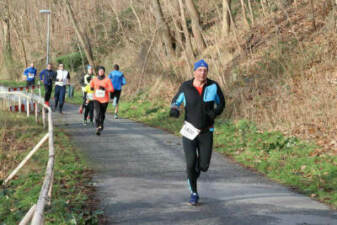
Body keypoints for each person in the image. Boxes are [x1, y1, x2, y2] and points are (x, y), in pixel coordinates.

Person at [169, 59, 225, 206]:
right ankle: (194, 192)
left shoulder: (213, 86)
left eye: (205, 70)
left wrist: (214, 112)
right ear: (194, 72)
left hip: (207, 131)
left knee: (203, 166)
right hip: (189, 130)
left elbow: (222, 102)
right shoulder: (186, 86)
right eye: (199, 70)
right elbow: (176, 101)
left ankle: (193, 174)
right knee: (190, 162)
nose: (202, 72)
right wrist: (174, 109)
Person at [90, 66, 114, 136]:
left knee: (102, 114)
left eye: (102, 71)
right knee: (97, 114)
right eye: (100, 71)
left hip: (104, 100)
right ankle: (98, 127)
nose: (101, 72)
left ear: (104, 72)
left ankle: (101, 124)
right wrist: (91, 87)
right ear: (98, 72)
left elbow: (112, 89)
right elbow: (91, 84)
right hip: (96, 99)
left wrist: (105, 89)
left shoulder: (107, 80)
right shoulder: (94, 79)